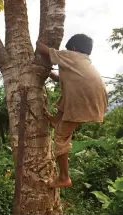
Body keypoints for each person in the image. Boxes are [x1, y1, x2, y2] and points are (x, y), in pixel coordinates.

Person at [36, 34, 108, 188]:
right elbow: (65, 79)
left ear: (73, 49)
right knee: (67, 96)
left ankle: (64, 177)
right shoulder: (83, 62)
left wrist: (37, 41)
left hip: (85, 103)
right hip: (95, 101)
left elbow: (42, 49)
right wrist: (50, 74)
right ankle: (55, 120)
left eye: (68, 49)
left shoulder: (71, 56)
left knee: (61, 136)